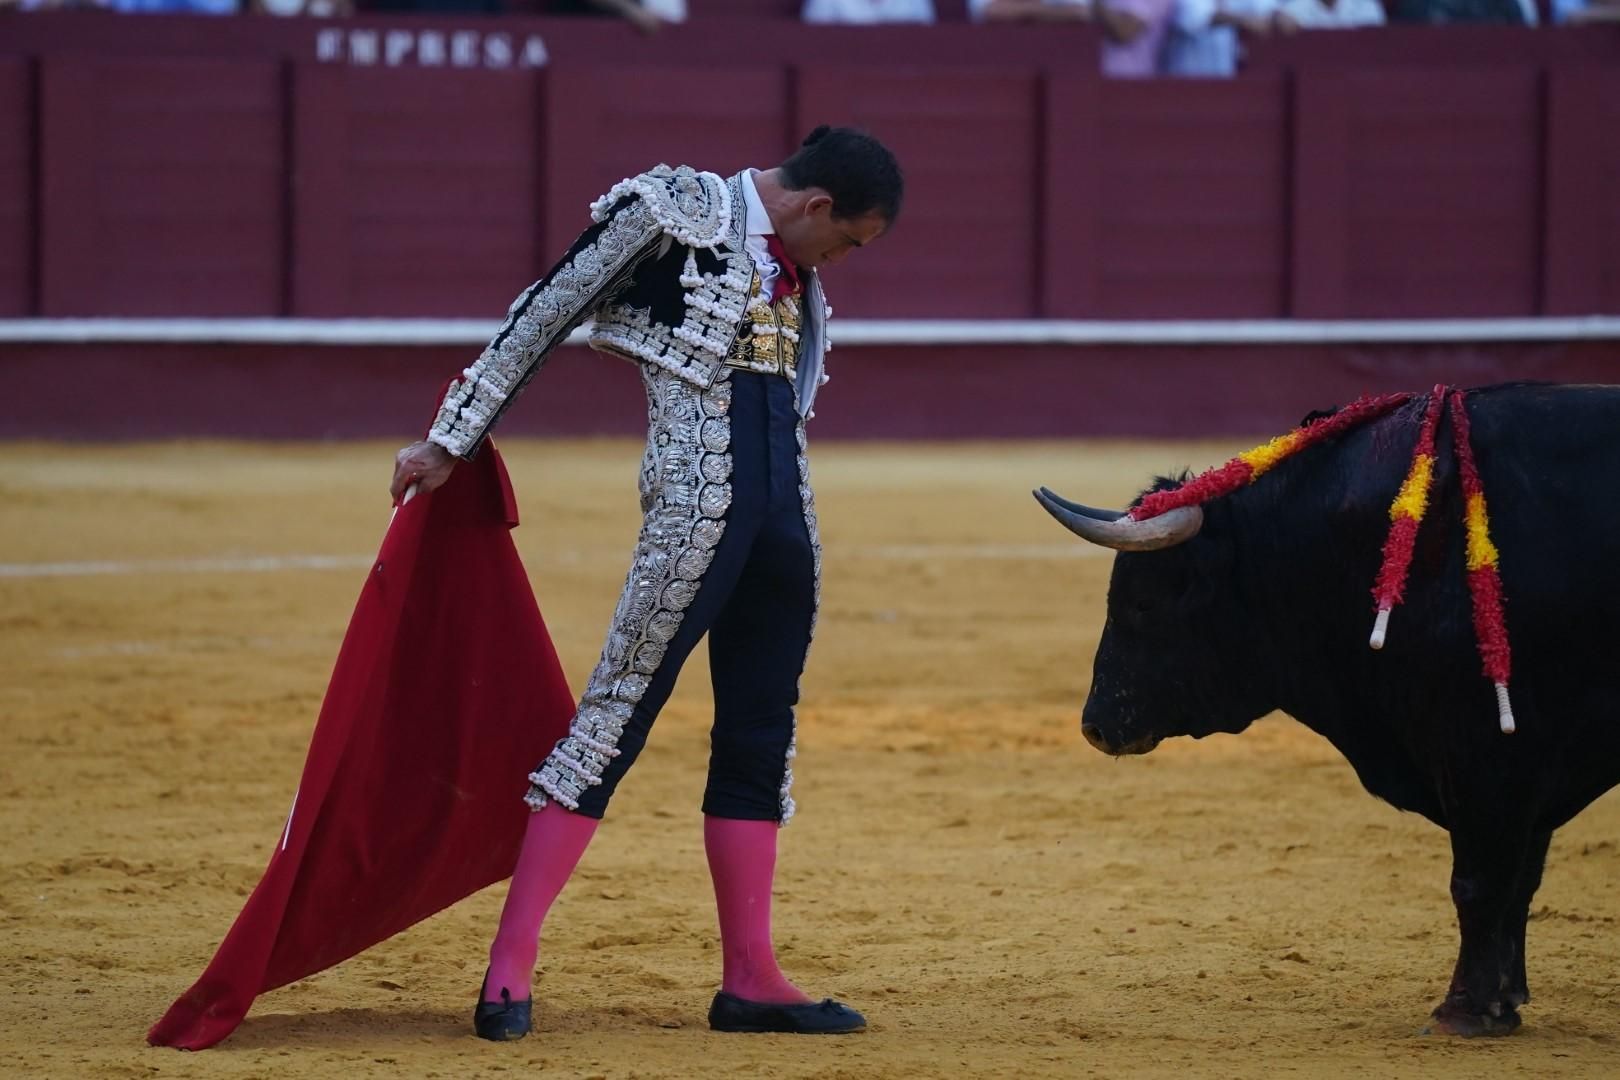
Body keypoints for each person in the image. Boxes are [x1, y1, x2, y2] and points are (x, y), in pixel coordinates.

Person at [390, 126, 903, 1041]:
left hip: (786, 515)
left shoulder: (792, 260)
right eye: (848, 241)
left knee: (760, 732)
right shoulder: (669, 214)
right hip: (694, 510)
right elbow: (545, 312)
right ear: (817, 206)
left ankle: (750, 975)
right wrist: (450, 436)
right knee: (614, 715)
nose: (841, 261)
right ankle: (509, 965)